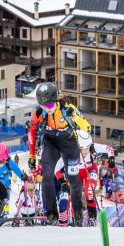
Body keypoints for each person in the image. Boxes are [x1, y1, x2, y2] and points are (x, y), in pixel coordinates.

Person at [27, 82, 90, 226]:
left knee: (73, 180)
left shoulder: (67, 108)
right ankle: (51, 214)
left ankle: (78, 212)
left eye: (49, 106)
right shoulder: (39, 113)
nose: (47, 109)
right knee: (47, 177)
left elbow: (86, 125)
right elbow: (31, 131)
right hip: (51, 143)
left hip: (69, 144)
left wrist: (78, 126)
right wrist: (31, 155)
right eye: (43, 106)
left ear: (56, 99)